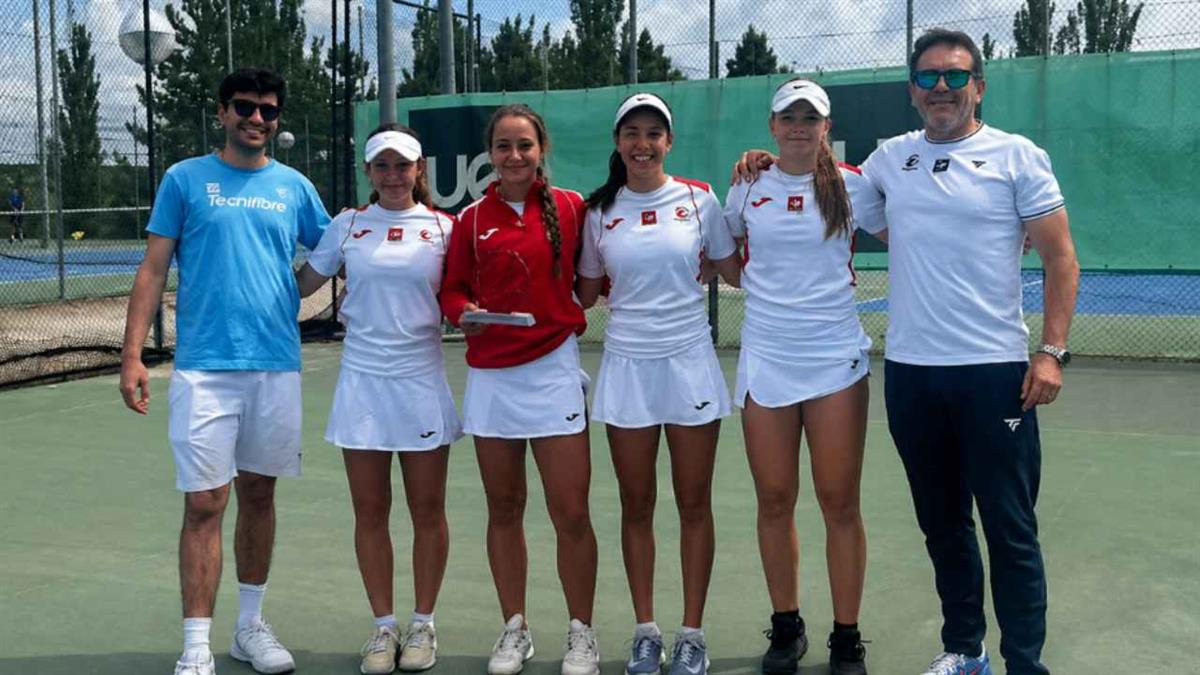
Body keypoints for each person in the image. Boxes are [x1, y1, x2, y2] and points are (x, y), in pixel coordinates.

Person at [118, 68, 331, 675]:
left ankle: (249, 627)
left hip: (275, 367)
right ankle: (195, 645)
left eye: (268, 110)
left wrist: (293, 293)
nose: (256, 119)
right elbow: (153, 270)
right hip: (204, 370)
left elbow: (330, 250)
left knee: (258, 495)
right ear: (221, 113)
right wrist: (132, 354)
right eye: (245, 107)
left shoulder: (294, 187)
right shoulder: (184, 179)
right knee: (205, 503)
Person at [576, 93, 741, 675]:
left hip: (690, 362)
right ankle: (646, 632)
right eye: (631, 134)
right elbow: (586, 293)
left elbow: (735, 269)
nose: (642, 145)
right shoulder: (599, 212)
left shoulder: (699, 199)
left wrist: (756, 182)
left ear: (669, 142)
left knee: (694, 504)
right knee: (636, 504)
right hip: (626, 367)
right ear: (618, 143)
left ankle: (692, 633)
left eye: (653, 134)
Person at [723, 79, 883, 675]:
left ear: (826, 126)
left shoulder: (854, 186)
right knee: (774, 500)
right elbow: (727, 258)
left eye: (808, 118)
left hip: (835, 363)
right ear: (771, 127)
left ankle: (847, 636)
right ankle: (786, 626)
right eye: (787, 118)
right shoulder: (746, 186)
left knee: (840, 502)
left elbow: (912, 237)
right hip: (767, 361)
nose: (797, 127)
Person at [439, 104, 600, 675]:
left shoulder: (572, 207)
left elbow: (594, 277)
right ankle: (515, 628)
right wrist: (466, 314)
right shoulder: (470, 220)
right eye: (503, 146)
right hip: (491, 377)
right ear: (490, 154)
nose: (514, 156)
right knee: (504, 507)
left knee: (570, 512)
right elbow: (452, 290)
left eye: (524, 146)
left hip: (553, 370)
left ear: (541, 150)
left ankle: (581, 632)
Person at [295, 124, 461, 675]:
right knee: (370, 511)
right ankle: (383, 627)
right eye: (382, 166)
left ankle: (423, 625)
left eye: (403, 165)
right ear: (369, 172)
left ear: (420, 171)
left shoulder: (445, 228)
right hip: (361, 383)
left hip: (420, 382)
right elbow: (299, 285)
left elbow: (468, 296)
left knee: (426, 511)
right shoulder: (347, 226)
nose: (393, 175)